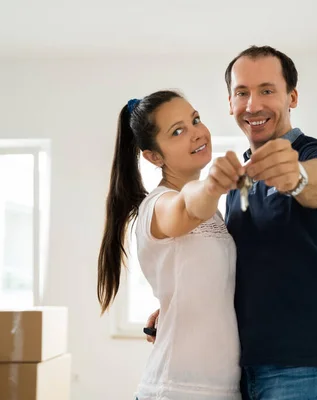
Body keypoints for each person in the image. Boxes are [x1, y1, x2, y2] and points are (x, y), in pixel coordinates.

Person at [146, 45, 317, 400]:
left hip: (303, 368)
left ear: (293, 97)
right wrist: (184, 302)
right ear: (230, 103)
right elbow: (244, 268)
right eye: (242, 93)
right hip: (243, 371)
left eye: (267, 91)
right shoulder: (236, 181)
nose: (253, 105)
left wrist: (298, 177)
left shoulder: (315, 155)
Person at [97, 90, 245, 399]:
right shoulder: (160, 205)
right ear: (154, 156)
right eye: (177, 131)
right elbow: (189, 206)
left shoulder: (215, 214)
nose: (196, 134)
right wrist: (214, 184)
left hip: (218, 387)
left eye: (195, 120)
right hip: (175, 388)